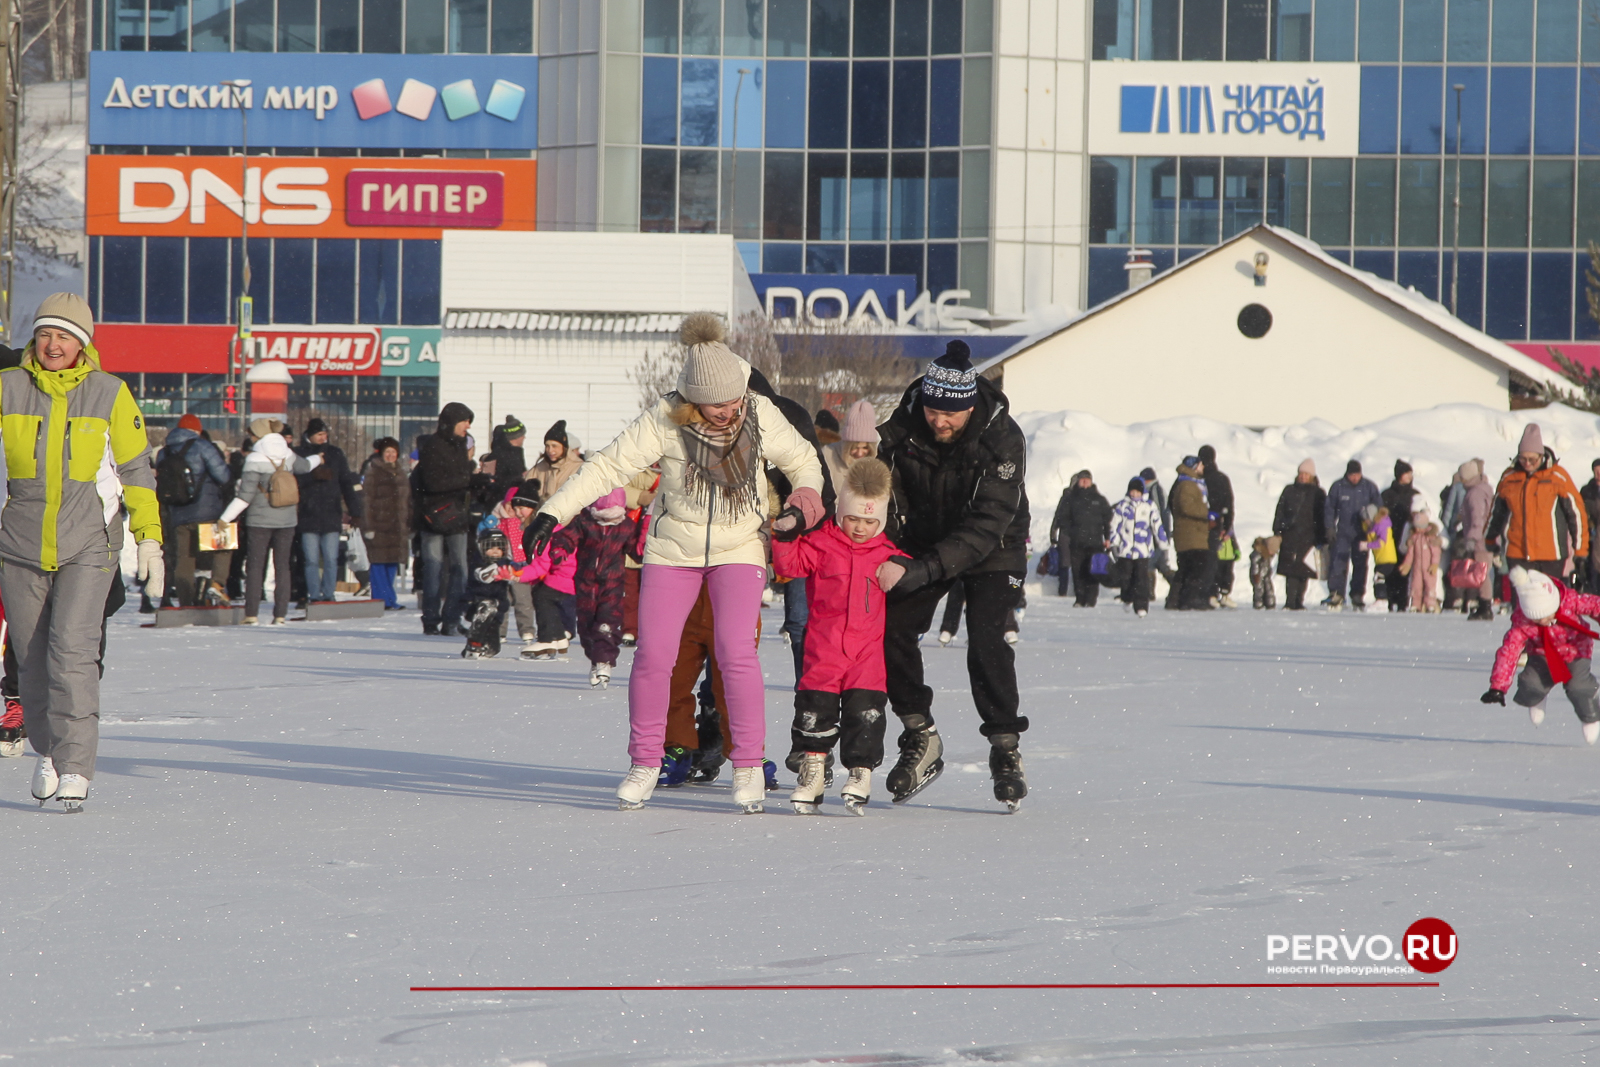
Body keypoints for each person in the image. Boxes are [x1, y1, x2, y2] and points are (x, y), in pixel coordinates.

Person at [524, 313, 824, 813]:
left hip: (740, 547)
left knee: (735, 653)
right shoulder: (664, 418)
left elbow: (803, 461)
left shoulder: (759, 411)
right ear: (691, 399)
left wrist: (802, 502)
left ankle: (748, 764)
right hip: (672, 552)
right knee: (654, 656)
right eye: (714, 405)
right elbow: (608, 467)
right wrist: (552, 511)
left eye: (732, 401)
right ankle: (645, 761)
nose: (726, 412)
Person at [0, 294, 163, 811]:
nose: (54, 345)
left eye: (65, 337)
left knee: (71, 653)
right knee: (29, 659)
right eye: (47, 334)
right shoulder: (7, 388)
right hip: (20, 543)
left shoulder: (109, 393)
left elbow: (136, 471)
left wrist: (150, 539)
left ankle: (76, 765)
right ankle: (49, 750)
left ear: (83, 345)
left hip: (90, 542)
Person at [874, 341, 1031, 811]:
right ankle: (920, 734)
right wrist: (894, 553)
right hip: (923, 539)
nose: (939, 421)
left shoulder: (1002, 437)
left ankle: (1005, 748)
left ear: (968, 407)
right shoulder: (903, 427)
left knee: (986, 639)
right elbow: (887, 497)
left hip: (994, 545)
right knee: (891, 627)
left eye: (951, 415)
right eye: (932, 411)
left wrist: (924, 567)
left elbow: (985, 525)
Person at [775, 458, 900, 815]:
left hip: (866, 655)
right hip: (824, 649)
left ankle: (860, 772)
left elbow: (908, 574)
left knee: (866, 714)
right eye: (853, 519)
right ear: (841, 513)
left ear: (882, 521)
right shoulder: (822, 543)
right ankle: (813, 769)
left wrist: (904, 568)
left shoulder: (886, 552)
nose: (860, 528)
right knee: (815, 711)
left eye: (869, 521)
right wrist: (784, 536)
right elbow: (789, 565)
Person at [1482, 567, 1600, 745]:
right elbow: (1509, 652)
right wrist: (1497, 687)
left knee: (1579, 686)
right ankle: (1538, 696)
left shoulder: (1569, 601)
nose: (1543, 622)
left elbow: (1595, 605)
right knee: (1530, 683)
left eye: (1546, 616)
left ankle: (1590, 717)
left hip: (1576, 650)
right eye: (1537, 620)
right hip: (1542, 654)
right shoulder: (1522, 622)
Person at [220, 419, 321, 624]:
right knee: (283, 567)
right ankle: (280, 615)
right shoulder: (288, 454)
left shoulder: (255, 458)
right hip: (287, 519)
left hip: (259, 520)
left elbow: (245, 496)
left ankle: (251, 614)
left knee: (256, 567)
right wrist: (318, 458)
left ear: (258, 436)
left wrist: (225, 518)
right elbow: (306, 466)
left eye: (252, 435)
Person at [1487, 424, 1587, 597]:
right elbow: (1497, 512)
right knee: (1522, 605)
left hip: (1551, 554)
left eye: (1532, 460)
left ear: (1541, 456)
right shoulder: (1509, 478)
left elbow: (1576, 514)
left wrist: (1580, 550)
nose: (1527, 464)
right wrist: (1489, 539)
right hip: (1517, 552)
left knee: (1547, 605)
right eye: (1523, 459)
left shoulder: (1557, 476)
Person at [550, 486, 636, 688]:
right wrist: (561, 549)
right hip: (586, 583)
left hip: (612, 583)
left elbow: (636, 549)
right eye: (604, 517)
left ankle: (604, 661)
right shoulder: (585, 521)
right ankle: (595, 659)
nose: (607, 521)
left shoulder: (626, 526)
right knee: (587, 627)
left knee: (607, 623)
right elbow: (566, 536)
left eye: (612, 517)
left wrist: (645, 549)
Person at [414, 402, 483, 636]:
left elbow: (460, 478)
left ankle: (452, 619)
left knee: (460, 569)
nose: (468, 426)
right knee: (433, 568)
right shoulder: (433, 446)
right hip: (433, 516)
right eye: (465, 421)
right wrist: (469, 481)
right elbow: (435, 483)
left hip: (457, 516)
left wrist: (474, 482)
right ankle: (431, 620)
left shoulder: (461, 445)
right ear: (452, 422)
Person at [155, 412, 232, 607]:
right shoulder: (202, 446)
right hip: (208, 513)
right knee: (222, 548)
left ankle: (186, 601)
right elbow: (223, 476)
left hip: (178, 514)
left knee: (184, 559)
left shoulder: (165, 452)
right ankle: (216, 585)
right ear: (197, 430)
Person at [294, 417, 363, 603]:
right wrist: (311, 477)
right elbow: (293, 482)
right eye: (319, 434)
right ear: (310, 435)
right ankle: (314, 595)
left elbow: (347, 483)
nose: (323, 438)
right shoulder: (299, 454)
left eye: (325, 434)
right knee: (311, 560)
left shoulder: (335, 454)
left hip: (331, 513)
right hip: (308, 514)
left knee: (331, 559)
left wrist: (355, 511)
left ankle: (329, 594)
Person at [1324, 459, 1383, 611]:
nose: (1355, 478)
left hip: (1362, 534)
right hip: (1343, 532)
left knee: (1360, 565)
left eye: (1357, 475)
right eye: (1352, 475)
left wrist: (1373, 524)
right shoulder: (1338, 487)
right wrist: (1330, 528)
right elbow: (1329, 508)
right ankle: (1336, 593)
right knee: (1338, 563)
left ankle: (1357, 594)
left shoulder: (1369, 487)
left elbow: (1379, 508)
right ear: (1347, 474)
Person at [360, 437, 411, 610]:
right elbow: (367, 500)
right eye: (387, 452)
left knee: (392, 563)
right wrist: (368, 526)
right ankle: (380, 599)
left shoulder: (401, 472)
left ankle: (390, 599)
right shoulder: (374, 470)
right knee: (379, 562)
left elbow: (407, 500)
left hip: (397, 526)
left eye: (393, 452)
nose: (390, 455)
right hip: (379, 525)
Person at [1108, 476, 1168, 617]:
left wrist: (1162, 541)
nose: (1135, 495)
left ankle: (1141, 605)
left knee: (1142, 578)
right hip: (1126, 549)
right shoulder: (1123, 506)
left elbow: (1157, 525)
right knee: (1126, 576)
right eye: (1132, 492)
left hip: (1143, 549)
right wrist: (1114, 542)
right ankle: (1127, 597)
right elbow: (1114, 525)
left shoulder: (1149, 506)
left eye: (1138, 492)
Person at [1051, 471, 1112, 607]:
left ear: (1091, 481)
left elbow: (1107, 520)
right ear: (1078, 481)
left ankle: (1091, 599)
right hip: (1077, 542)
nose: (1084, 482)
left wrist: (1107, 538)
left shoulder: (1099, 499)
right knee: (1078, 572)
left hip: (1095, 542)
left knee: (1093, 571)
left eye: (1087, 480)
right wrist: (1070, 532)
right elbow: (1062, 517)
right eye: (1082, 480)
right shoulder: (1071, 498)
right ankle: (1080, 598)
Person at [1272, 459, 1326, 611]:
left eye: (1306, 474)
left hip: (1309, 537)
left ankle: (1298, 601)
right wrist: (1278, 529)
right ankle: (1290, 601)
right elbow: (1280, 510)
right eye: (1301, 473)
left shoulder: (1318, 493)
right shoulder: (1289, 490)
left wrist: (1322, 536)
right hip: (1291, 535)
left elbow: (1322, 516)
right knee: (1291, 571)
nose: (1303, 476)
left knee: (1304, 571)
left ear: (1312, 476)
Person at [1169, 456, 1213, 610]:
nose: (1203, 468)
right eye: (1200, 465)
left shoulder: (1190, 483)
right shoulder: (1188, 485)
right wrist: (1207, 512)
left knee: (1186, 569)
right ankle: (1190, 599)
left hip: (1192, 534)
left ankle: (1176, 601)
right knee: (1196, 568)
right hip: (1191, 535)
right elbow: (1187, 507)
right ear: (1194, 467)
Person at [1197, 445, 1236, 607]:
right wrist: (1227, 527)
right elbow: (1229, 503)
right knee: (1219, 560)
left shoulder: (1199, 480)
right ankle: (1220, 592)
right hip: (1219, 524)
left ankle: (1210, 593)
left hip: (1201, 526)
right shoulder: (1222, 478)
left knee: (1206, 561)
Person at [1457, 459, 1496, 621]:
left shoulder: (1474, 494)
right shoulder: (1484, 489)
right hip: (1488, 538)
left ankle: (1485, 606)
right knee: (1484, 572)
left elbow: (1477, 518)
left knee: (1481, 574)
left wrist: (1472, 538)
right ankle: (1484, 604)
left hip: (1480, 540)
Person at [1381, 461, 1420, 612]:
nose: (1409, 477)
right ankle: (1391, 600)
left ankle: (1404, 601)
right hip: (1390, 536)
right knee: (1390, 569)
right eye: (1406, 473)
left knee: (1406, 568)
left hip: (1408, 537)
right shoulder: (1387, 494)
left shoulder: (1415, 495)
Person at [531, 420, 583, 506]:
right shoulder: (539, 468)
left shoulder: (578, 468)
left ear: (564, 447)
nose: (550, 450)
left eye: (554, 446)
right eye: (547, 446)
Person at [1402, 507, 1442, 612]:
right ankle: (1416, 604)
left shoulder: (1431, 537)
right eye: (1416, 527)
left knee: (1430, 585)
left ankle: (1430, 604)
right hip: (1417, 566)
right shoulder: (1414, 538)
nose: (1418, 530)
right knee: (1416, 585)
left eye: (1420, 527)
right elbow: (1411, 553)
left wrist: (1434, 564)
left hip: (1428, 567)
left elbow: (1436, 552)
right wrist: (1407, 564)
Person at [1362, 505, 1398, 611]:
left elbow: (1382, 542)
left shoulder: (1382, 524)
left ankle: (1381, 599)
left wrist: (1367, 545)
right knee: (1382, 578)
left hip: (1387, 557)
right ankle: (1386, 600)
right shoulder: (1374, 525)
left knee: (1379, 577)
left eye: (1367, 519)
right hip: (1381, 558)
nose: (1366, 522)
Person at [488, 415, 529, 497]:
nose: (524, 437)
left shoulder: (497, 452)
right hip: (506, 498)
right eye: (522, 435)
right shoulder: (512, 455)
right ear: (517, 437)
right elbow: (513, 480)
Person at [1249, 536, 1279, 609]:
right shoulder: (1257, 553)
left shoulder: (1266, 553)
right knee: (1259, 590)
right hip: (1258, 575)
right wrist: (1256, 574)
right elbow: (1255, 564)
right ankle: (1258, 604)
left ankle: (1270, 603)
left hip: (1266, 574)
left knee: (1269, 589)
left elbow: (1267, 564)